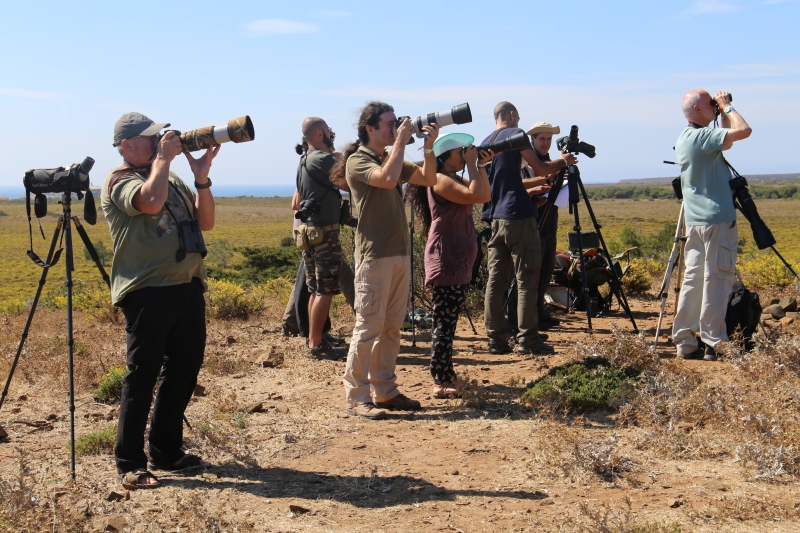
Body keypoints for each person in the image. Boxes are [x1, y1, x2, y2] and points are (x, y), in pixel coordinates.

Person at [101, 112, 218, 489]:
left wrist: (201, 178)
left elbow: (206, 222)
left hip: (186, 285)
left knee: (184, 368)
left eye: (158, 139)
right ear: (126, 146)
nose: (157, 144)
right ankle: (130, 463)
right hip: (147, 289)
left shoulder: (171, 177)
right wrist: (164, 161)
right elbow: (150, 203)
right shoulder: (119, 179)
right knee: (143, 374)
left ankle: (166, 450)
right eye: (150, 140)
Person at [331, 101, 438, 420]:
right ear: (370, 129)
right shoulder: (358, 161)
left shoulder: (390, 156)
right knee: (369, 327)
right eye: (390, 125)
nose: (396, 128)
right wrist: (402, 143)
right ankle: (356, 396)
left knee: (392, 327)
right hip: (374, 255)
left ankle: (385, 390)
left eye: (397, 123)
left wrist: (429, 148)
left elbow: (428, 179)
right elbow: (387, 179)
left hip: (398, 254)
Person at [481, 102, 575, 355]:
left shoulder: (486, 141)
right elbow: (543, 167)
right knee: (527, 280)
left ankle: (496, 339)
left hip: (496, 217)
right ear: (512, 116)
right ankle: (528, 340)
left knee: (495, 282)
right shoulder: (516, 135)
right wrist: (562, 162)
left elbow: (503, 181)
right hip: (519, 217)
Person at [408, 133, 493, 398]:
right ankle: (440, 380)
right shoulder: (441, 180)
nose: (464, 155)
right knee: (444, 321)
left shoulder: (453, 178)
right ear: (445, 157)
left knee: (448, 319)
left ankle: (445, 373)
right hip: (446, 257)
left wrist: (479, 167)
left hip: (456, 257)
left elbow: (484, 194)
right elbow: (475, 197)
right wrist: (472, 165)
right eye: (460, 153)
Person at [672, 90, 751, 361]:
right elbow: (744, 130)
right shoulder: (702, 137)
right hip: (717, 220)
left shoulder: (687, 138)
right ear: (697, 109)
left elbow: (726, 142)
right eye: (710, 104)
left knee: (694, 281)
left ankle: (685, 340)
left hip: (695, 221)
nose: (714, 108)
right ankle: (715, 341)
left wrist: (720, 112)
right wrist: (728, 107)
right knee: (717, 279)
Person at [294, 117, 349, 357]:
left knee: (315, 289)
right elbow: (349, 182)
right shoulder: (323, 159)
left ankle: (313, 339)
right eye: (327, 131)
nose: (329, 134)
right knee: (325, 290)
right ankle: (317, 345)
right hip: (325, 233)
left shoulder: (304, 159)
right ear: (318, 134)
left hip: (309, 233)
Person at [526, 122, 563, 330]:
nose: (546, 143)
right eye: (542, 139)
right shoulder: (529, 162)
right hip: (535, 221)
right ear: (533, 139)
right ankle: (531, 316)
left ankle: (540, 310)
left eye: (549, 139)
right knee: (534, 271)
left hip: (549, 222)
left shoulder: (548, 160)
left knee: (547, 269)